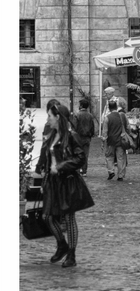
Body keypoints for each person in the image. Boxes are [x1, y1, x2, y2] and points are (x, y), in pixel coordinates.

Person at [39, 104, 95, 268]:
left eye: (50, 115)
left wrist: (61, 166)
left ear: (58, 118)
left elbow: (80, 158)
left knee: (69, 218)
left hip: (68, 181)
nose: (48, 118)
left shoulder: (71, 136)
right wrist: (44, 179)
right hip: (53, 182)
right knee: (47, 217)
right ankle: (62, 244)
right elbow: (49, 160)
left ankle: (71, 254)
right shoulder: (52, 135)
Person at [101, 100, 130, 181]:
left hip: (110, 141)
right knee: (120, 158)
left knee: (109, 156)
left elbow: (105, 132)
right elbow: (128, 127)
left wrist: (103, 142)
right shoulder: (122, 116)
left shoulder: (107, 118)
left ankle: (111, 171)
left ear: (109, 108)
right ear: (116, 107)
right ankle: (120, 175)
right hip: (120, 140)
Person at [35, 99, 62, 175]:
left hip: (53, 166)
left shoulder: (48, 126)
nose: (48, 118)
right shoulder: (68, 125)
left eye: (49, 115)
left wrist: (38, 167)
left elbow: (45, 146)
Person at [70, 99, 95, 177]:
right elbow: (92, 127)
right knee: (85, 155)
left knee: (77, 154)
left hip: (78, 138)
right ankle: (84, 171)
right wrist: (91, 135)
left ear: (81, 106)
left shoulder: (77, 115)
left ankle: (77, 170)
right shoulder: (90, 115)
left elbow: (74, 127)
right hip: (87, 138)